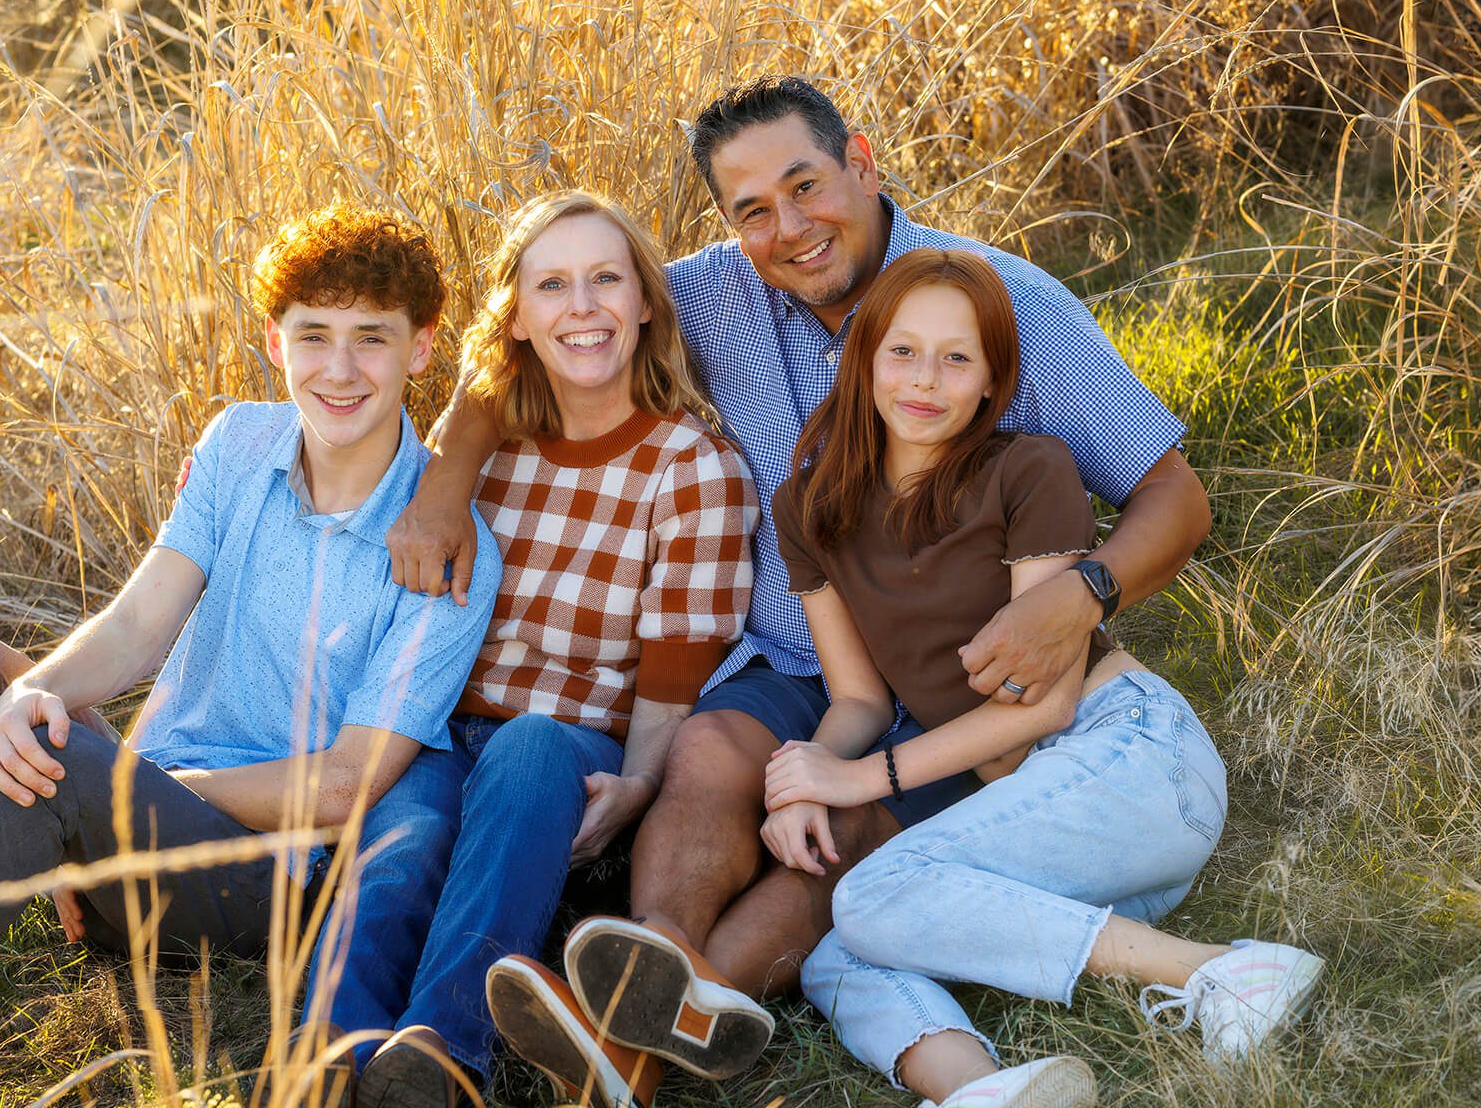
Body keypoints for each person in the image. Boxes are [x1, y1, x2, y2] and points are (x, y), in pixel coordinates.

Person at [393, 75, 1213, 1093]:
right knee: (710, 748)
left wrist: (1082, 590)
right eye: (752, 210)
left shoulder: (994, 304)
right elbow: (539, 335)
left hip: (959, 676)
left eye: (808, 186)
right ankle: (653, 959)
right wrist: (445, 481)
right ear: (728, 222)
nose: (790, 228)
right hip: (803, 654)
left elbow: (1174, 498)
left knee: (847, 829)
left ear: (862, 163)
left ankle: (630, 1050)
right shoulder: (704, 294)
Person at [0, 207, 499, 1102]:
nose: (338, 368)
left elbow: (344, 786)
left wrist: (122, 788)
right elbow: (136, 629)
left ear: (424, 349)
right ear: (274, 340)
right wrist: (33, 698)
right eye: (313, 335)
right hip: (137, 798)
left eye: (372, 339)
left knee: (53, 766)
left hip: (266, 878)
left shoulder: (448, 551)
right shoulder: (240, 443)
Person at [767, 248, 1323, 1107]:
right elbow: (860, 699)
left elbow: (1047, 698)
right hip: (1050, 832)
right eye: (902, 351)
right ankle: (984, 1091)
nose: (925, 380)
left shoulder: (1028, 471)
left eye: (957, 358)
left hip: (1131, 758)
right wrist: (805, 780)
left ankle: (1227, 973)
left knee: (874, 893)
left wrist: (860, 778)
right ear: (862, 358)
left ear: (992, 381)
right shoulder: (808, 507)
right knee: (840, 951)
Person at [300, 190, 755, 1108]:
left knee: (529, 743)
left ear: (643, 305)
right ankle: (324, 1059)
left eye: (604, 281)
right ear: (519, 316)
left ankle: (440, 1054)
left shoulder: (694, 467)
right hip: (442, 728)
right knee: (405, 841)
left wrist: (639, 785)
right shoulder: (482, 446)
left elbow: (674, 675)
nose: (581, 307)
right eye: (552, 285)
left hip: (569, 750)